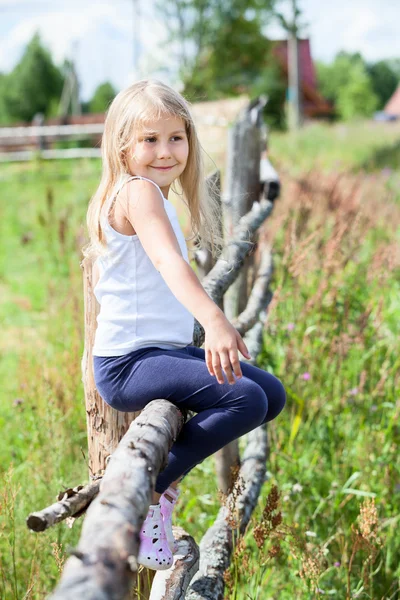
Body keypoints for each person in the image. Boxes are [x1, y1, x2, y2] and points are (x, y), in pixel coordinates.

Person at [82, 79, 286, 571]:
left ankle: (162, 477)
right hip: (130, 363)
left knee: (271, 394)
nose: (165, 151)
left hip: (158, 353)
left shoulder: (151, 194)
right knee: (247, 398)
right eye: (149, 140)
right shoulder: (137, 194)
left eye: (176, 137)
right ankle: (149, 494)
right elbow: (172, 265)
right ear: (122, 145)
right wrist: (214, 321)